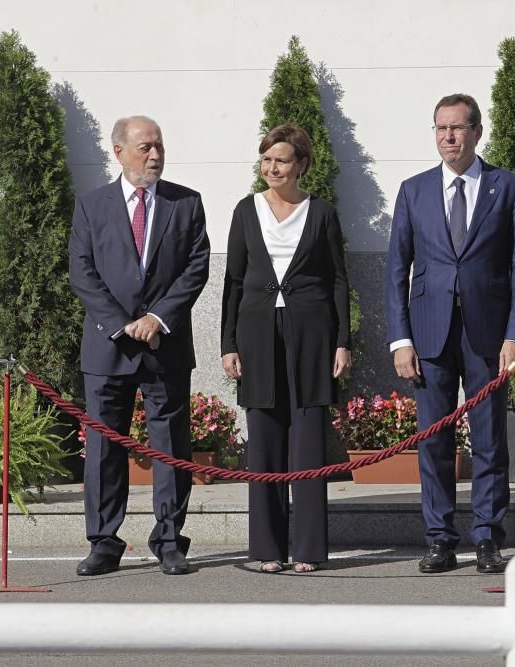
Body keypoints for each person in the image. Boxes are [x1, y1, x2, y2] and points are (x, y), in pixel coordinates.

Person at [385, 93, 515, 574]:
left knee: (490, 438)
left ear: (476, 131)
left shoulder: (505, 187)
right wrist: (400, 339)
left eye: (457, 128)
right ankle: (439, 539)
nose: (448, 137)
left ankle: (488, 538)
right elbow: (396, 271)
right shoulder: (414, 190)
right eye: (440, 129)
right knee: (434, 440)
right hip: (428, 335)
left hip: (488, 335)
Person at [69, 115, 210, 576]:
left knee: (170, 445)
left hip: (163, 344)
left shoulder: (185, 203)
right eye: (145, 147)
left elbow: (195, 267)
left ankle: (170, 539)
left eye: (159, 146)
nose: (154, 155)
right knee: (105, 447)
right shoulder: (92, 206)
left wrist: (157, 317)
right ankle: (104, 541)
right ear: (119, 152)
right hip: (108, 348)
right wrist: (120, 323)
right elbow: (82, 272)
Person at [221, 123, 351, 574]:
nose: (272, 168)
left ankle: (309, 549)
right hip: (256, 334)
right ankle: (267, 549)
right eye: (266, 159)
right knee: (265, 442)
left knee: (308, 438)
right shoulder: (245, 210)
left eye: (281, 160)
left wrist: (342, 341)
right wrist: (228, 345)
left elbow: (338, 280)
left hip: (312, 334)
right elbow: (233, 281)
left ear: (301, 165)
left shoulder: (322, 213)